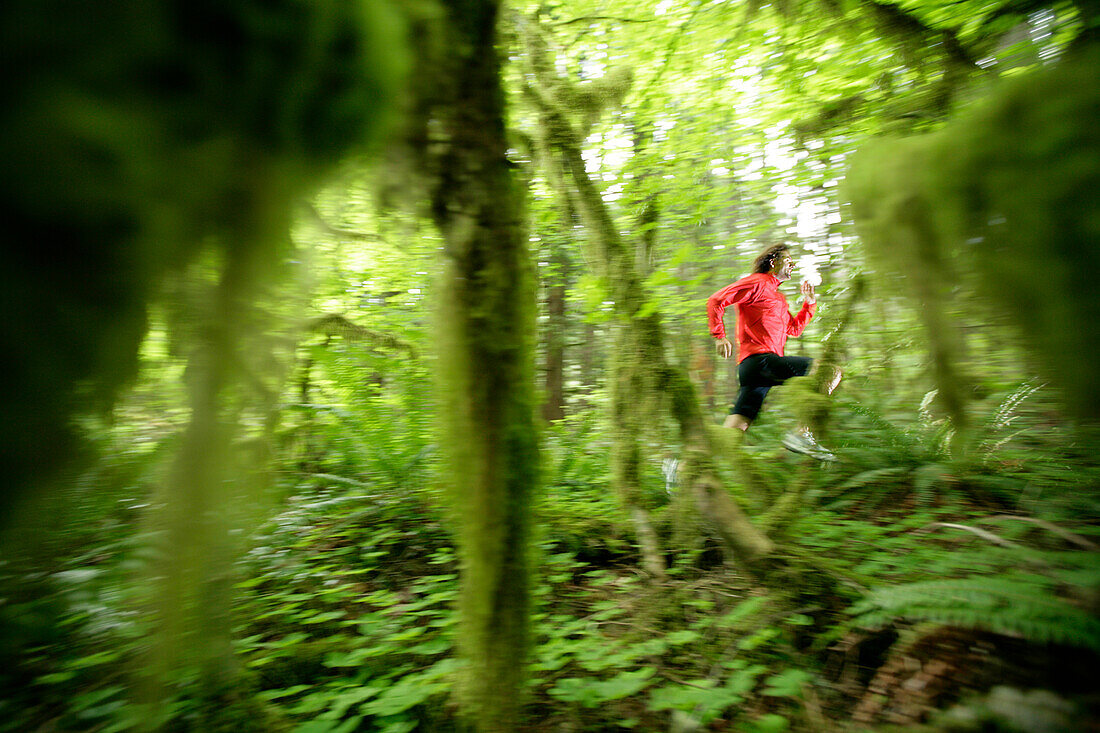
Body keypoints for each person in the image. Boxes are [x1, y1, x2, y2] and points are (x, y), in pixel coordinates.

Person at [707, 244, 839, 460]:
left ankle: (685, 465)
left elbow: (793, 329)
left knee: (734, 431)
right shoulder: (757, 282)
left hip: (757, 373)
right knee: (828, 371)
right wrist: (719, 336)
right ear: (773, 262)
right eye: (788, 261)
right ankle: (802, 433)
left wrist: (810, 304)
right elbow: (716, 300)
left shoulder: (778, 299)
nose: (792, 265)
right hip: (759, 361)